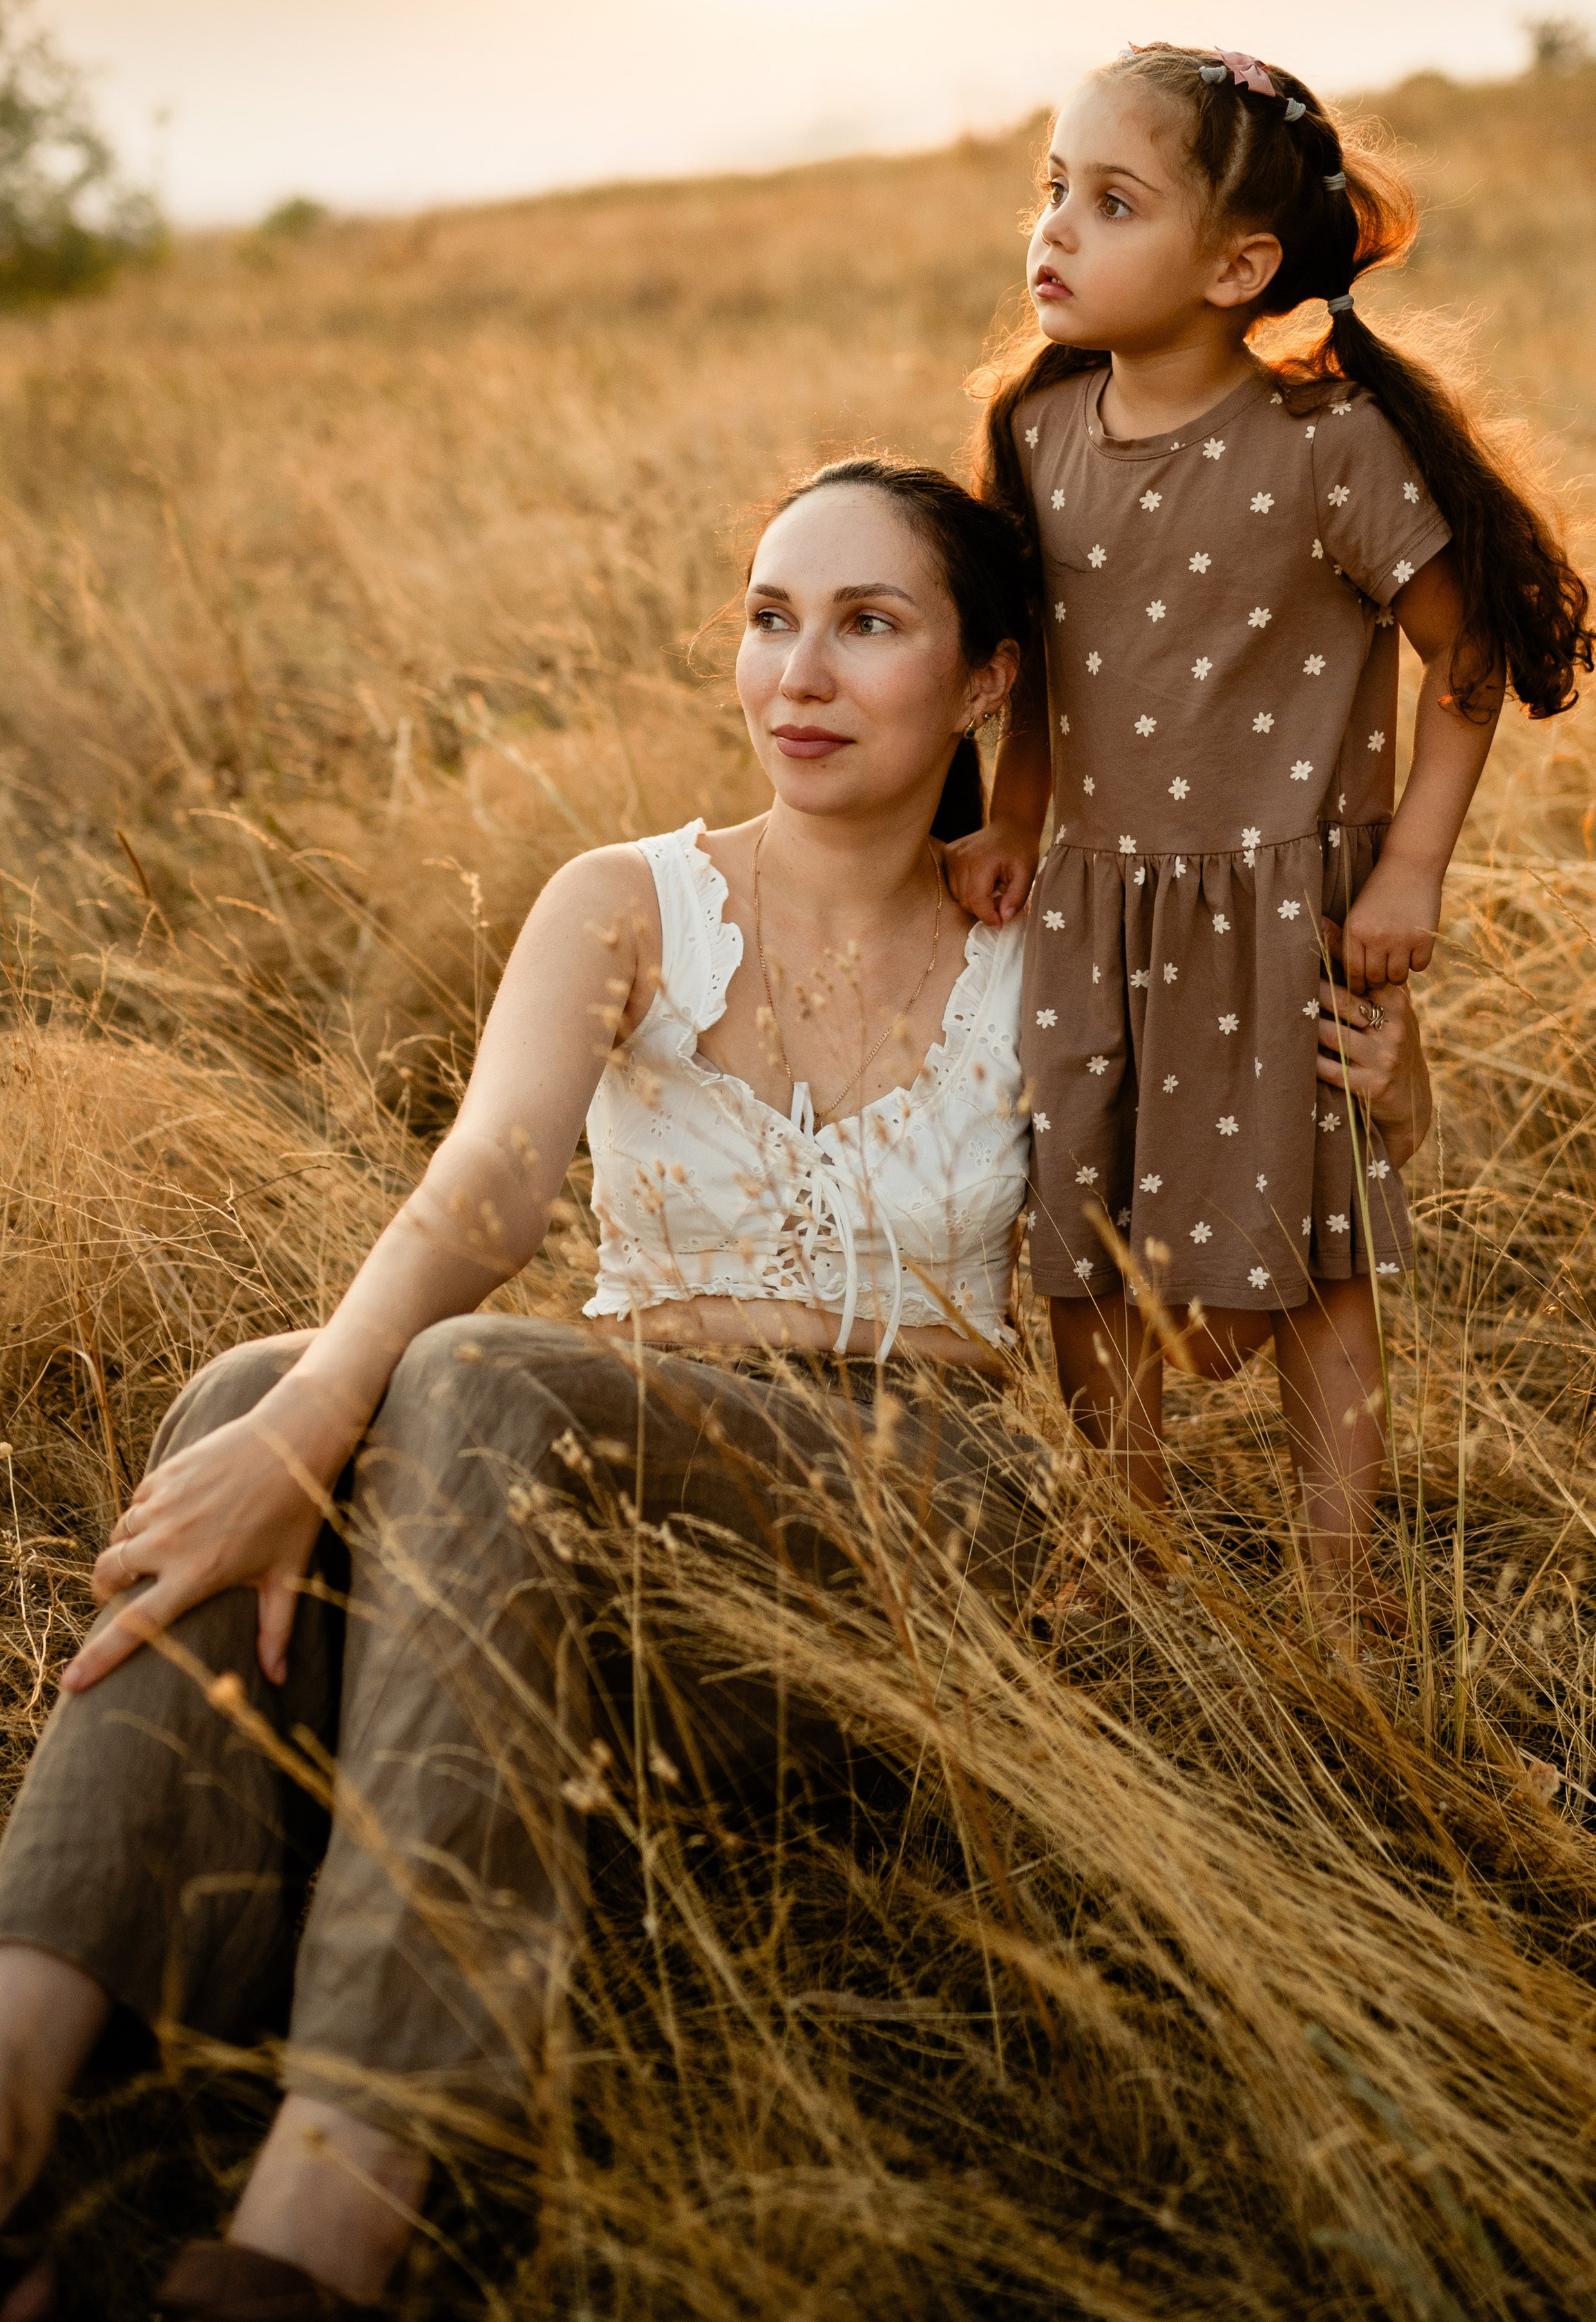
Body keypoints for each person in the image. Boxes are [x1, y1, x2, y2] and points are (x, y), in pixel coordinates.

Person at [0, 460, 1046, 2321]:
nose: (799, 672)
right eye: (770, 618)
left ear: (982, 679)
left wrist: (1382, 1062)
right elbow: (489, 1179)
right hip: (593, 1478)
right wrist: (307, 1416)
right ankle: (17, 2063)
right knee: (257, 1384)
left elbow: (1221, 1255)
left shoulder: (1043, 942)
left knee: (468, 1377)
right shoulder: (630, 900)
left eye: (869, 624)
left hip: (908, 1515)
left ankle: (336, 2199)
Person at [947, 41, 1591, 1602]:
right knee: (1084, 1228)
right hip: (1095, 909)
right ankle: (1128, 1545)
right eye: (1053, 189)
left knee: (1318, 1246)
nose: (1054, 229)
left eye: (1111, 203)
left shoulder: (1323, 443)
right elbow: (1039, 667)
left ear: (1238, 266)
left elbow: (1467, 657)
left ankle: (1337, 1580)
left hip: (1282, 917)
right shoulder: (1037, 430)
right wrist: (1015, 818)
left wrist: (1411, 869)